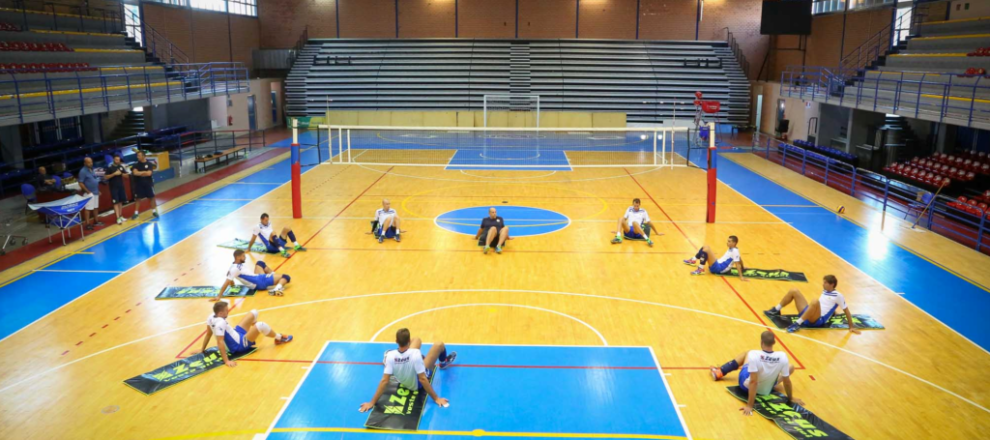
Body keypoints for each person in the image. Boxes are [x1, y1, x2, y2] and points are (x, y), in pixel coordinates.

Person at [358, 328, 457, 413]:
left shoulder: (390, 355)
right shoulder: (416, 353)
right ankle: (443, 362)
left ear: (396, 341)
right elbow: (422, 379)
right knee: (439, 344)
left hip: (402, 380)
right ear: (409, 341)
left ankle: (392, 363)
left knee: (417, 339)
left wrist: (371, 402)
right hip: (416, 384)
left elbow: (384, 381)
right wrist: (436, 398)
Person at [710, 331, 803, 416]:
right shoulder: (782, 356)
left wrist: (750, 405)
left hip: (746, 387)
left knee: (747, 353)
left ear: (761, 342)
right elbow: (787, 382)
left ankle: (721, 371)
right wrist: (790, 398)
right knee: (791, 367)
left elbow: (753, 382)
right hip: (767, 389)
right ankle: (769, 380)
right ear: (774, 342)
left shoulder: (754, 354)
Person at [192, 300, 292, 368]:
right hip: (239, 345)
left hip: (236, 333)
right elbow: (220, 342)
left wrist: (202, 349)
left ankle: (255, 332)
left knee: (254, 312)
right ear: (221, 313)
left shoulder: (211, 317)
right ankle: (278, 338)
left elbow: (208, 334)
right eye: (226, 310)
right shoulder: (220, 323)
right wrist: (226, 361)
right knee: (261, 325)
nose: (228, 312)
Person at [765, 275, 861, 334]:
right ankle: (776, 310)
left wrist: (851, 327)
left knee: (815, 301)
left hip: (818, 320)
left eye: (825, 283)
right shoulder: (825, 291)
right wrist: (833, 312)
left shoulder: (839, 296)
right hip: (811, 314)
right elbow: (828, 305)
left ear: (832, 284)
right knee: (794, 291)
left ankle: (797, 324)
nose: (823, 284)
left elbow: (847, 311)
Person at [213, 250, 291, 301]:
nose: (245, 257)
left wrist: (232, 283)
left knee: (260, 263)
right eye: (243, 256)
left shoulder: (234, 266)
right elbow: (226, 282)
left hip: (257, 277)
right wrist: (219, 296)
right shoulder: (234, 269)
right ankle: (276, 289)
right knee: (286, 277)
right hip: (259, 282)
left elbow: (229, 277)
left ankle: (275, 278)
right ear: (238, 257)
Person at [130, 151, 159, 219]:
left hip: (148, 184)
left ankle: (154, 211)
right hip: (139, 184)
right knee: (138, 198)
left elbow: (149, 173)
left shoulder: (149, 164)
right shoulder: (136, 165)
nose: (137, 157)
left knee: (151, 197)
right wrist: (144, 172)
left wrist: (140, 173)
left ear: (143, 156)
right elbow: (135, 173)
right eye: (137, 155)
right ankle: (136, 213)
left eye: (139, 155)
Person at [77, 157, 103, 230]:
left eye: (91, 162)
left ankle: (96, 221)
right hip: (89, 193)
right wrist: (87, 191)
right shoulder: (82, 171)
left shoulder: (92, 170)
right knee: (88, 208)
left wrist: (98, 190)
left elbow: (94, 180)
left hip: (95, 191)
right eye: (89, 162)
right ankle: (87, 224)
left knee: (95, 207)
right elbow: (80, 183)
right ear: (85, 163)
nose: (90, 163)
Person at [105, 154, 129, 225]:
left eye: (118, 160)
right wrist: (114, 174)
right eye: (116, 160)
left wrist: (121, 174)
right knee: (116, 203)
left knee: (120, 202)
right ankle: (117, 218)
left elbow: (127, 176)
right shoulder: (110, 168)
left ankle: (121, 216)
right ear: (113, 160)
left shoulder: (121, 167)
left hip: (121, 187)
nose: (117, 161)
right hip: (113, 188)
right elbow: (106, 177)